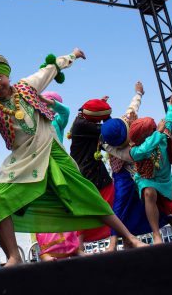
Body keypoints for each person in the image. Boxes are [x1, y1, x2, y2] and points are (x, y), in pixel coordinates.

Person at [0, 49, 146, 266]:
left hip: (52, 153)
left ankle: (129, 238)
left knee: (88, 194)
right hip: (23, 161)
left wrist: (71, 56)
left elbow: (51, 68)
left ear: (6, 74)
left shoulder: (27, 86)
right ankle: (14, 257)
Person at [101, 82, 172, 250]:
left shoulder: (130, 122)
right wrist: (161, 128)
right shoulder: (127, 150)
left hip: (156, 174)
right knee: (123, 202)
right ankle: (115, 241)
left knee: (168, 198)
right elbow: (147, 143)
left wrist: (139, 93)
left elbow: (134, 105)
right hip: (127, 173)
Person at [35, 91, 82, 261]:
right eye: (44, 102)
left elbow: (66, 112)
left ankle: (74, 247)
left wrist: (49, 102)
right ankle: (47, 251)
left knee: (67, 206)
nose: (45, 105)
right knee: (44, 208)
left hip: (60, 168)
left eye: (50, 102)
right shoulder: (34, 121)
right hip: (39, 169)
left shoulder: (57, 121)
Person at [68, 96, 115, 249]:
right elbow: (110, 130)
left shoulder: (82, 120)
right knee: (91, 208)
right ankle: (79, 246)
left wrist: (99, 107)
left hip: (94, 171)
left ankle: (113, 242)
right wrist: (106, 115)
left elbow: (86, 110)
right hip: (88, 173)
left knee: (110, 204)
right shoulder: (82, 125)